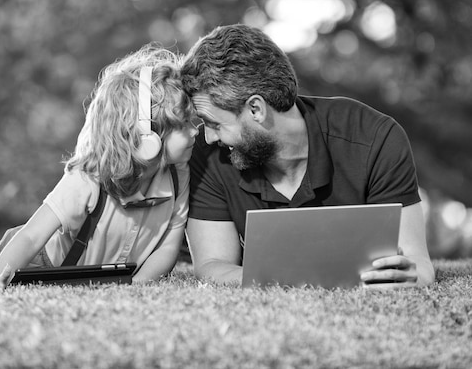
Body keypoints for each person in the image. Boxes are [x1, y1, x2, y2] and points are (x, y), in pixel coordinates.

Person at [0, 45, 199, 291]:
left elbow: (169, 246)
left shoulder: (177, 174)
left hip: (98, 272)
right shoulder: (88, 180)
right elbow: (32, 237)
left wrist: (138, 287)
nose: (195, 131)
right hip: (39, 260)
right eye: (185, 124)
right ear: (146, 135)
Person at [180, 24, 435, 288]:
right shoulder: (208, 152)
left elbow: (418, 264)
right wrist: (301, 277)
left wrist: (411, 277)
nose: (208, 136)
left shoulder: (376, 139)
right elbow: (212, 266)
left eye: (214, 123)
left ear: (256, 108)